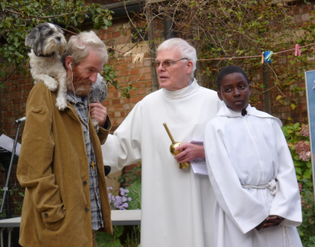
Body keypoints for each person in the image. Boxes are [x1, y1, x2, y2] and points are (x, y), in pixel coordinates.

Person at [101, 38, 221, 247]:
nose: (160, 69)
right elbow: (120, 148)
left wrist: (204, 151)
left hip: (202, 203)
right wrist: (98, 129)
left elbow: (236, 150)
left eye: (167, 63)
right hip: (161, 208)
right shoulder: (148, 105)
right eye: (157, 63)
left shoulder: (214, 102)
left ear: (189, 65)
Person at [16, 31, 112, 247]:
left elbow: (79, 147)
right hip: (56, 228)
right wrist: (55, 214)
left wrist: (102, 125)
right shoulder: (44, 94)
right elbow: (32, 167)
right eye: (90, 70)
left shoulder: (82, 95)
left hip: (83, 222)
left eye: (98, 72)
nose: (94, 78)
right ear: (69, 63)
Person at [204, 65, 302, 247]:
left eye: (241, 86)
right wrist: (252, 217)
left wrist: (282, 209)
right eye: (228, 89)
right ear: (220, 95)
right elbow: (222, 179)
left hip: (274, 206)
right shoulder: (216, 127)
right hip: (240, 212)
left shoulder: (267, 122)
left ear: (249, 88)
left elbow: (286, 169)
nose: (236, 93)